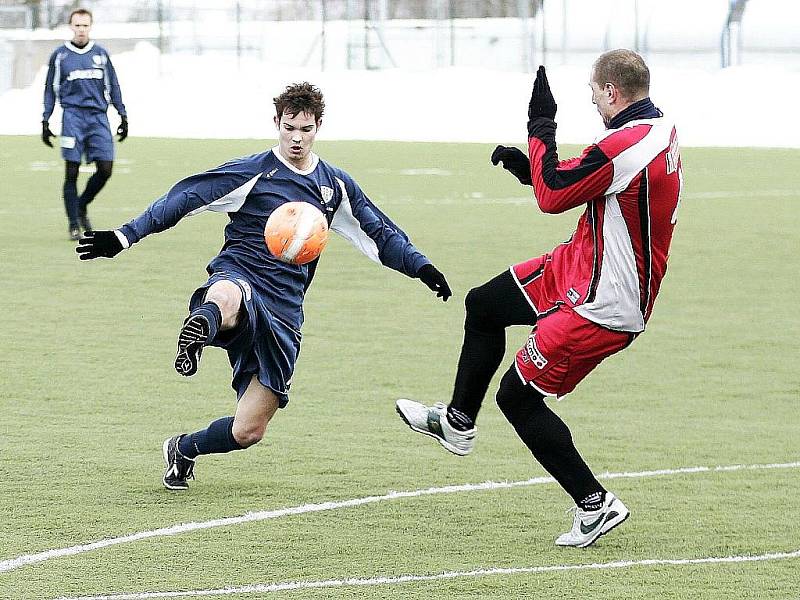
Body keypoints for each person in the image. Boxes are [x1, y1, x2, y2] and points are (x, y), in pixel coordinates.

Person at [76, 82, 452, 491]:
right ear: (277, 122)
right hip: (241, 274)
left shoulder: (334, 186)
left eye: (305, 129)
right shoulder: (254, 172)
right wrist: (124, 236)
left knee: (248, 431)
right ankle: (199, 328)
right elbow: (185, 197)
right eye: (288, 126)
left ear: (318, 127)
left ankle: (183, 449)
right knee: (227, 294)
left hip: (285, 310)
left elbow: (378, 231)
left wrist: (421, 267)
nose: (296, 137)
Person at [396, 49, 682, 548]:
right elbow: (586, 182)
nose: (592, 100)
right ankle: (458, 422)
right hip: (580, 263)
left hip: (603, 302)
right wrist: (530, 169)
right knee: (483, 305)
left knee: (516, 397)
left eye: (594, 91)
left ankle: (594, 504)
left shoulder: (627, 144)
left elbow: (554, 195)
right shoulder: (654, 128)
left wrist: (541, 124)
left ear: (612, 92)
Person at [42, 8, 128, 241]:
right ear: (71, 27)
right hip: (72, 118)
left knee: (106, 168)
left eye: (85, 25)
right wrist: (46, 119)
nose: (81, 30)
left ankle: (81, 205)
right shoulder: (60, 56)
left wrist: (123, 115)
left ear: (91, 27)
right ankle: (73, 224)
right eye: (77, 25)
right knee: (72, 172)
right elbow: (50, 88)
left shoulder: (101, 54)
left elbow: (114, 86)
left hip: (98, 118)